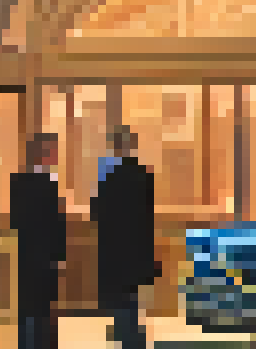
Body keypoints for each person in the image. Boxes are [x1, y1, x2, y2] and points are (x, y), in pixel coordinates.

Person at [93, 126, 158, 349]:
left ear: (114, 147)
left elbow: (97, 213)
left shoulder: (107, 177)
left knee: (121, 301)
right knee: (133, 300)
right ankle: (133, 339)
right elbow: (148, 216)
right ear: (132, 146)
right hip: (137, 250)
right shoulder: (144, 175)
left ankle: (127, 339)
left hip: (114, 249)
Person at [11, 134, 67, 349]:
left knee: (26, 312)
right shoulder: (51, 186)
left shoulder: (17, 183)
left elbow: (14, 223)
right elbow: (57, 227)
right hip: (45, 259)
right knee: (44, 313)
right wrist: (60, 258)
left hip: (25, 257)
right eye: (52, 151)